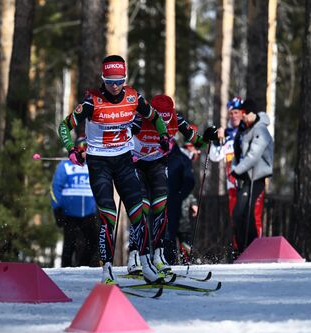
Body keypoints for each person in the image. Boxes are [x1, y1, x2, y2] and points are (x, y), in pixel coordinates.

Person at [58, 55, 173, 284]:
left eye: (119, 81)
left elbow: (156, 117)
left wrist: (163, 136)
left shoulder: (133, 97)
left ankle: (146, 263)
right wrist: (72, 149)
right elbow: (64, 126)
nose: (114, 86)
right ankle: (108, 268)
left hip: (123, 160)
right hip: (99, 162)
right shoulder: (92, 102)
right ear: (103, 79)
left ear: (125, 78)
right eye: (110, 81)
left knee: (137, 212)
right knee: (108, 215)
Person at [127, 94, 217, 275]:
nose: (165, 125)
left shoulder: (177, 119)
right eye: (161, 120)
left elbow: (197, 142)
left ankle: (159, 256)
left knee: (161, 208)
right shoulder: (139, 118)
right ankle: (134, 255)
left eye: (168, 119)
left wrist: (207, 138)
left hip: (158, 165)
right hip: (138, 165)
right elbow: (121, 137)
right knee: (142, 209)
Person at [210, 97, 264, 255]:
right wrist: (216, 140)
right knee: (236, 217)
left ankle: (257, 249)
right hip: (233, 185)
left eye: (237, 112)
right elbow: (214, 157)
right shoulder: (225, 134)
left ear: (243, 113)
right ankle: (238, 250)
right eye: (231, 113)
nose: (234, 116)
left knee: (254, 215)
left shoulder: (250, 130)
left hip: (252, 181)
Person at [230, 99, 273, 254]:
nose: (243, 117)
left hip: (257, 177)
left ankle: (251, 249)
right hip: (248, 177)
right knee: (239, 213)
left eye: (245, 114)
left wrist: (236, 171)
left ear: (252, 113)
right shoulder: (248, 129)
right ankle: (244, 249)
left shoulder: (260, 130)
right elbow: (240, 153)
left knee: (245, 212)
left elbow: (254, 155)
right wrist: (236, 167)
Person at [50, 135, 99, 267]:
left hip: (89, 212)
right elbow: (55, 187)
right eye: (81, 148)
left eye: (87, 148)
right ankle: (64, 269)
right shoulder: (65, 165)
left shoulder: (94, 165)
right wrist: (57, 208)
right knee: (69, 244)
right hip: (70, 212)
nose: (84, 151)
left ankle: (84, 266)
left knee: (93, 243)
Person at [165, 141, 199, 264]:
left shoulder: (182, 159)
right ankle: (166, 261)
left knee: (181, 233)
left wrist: (181, 197)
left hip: (178, 204)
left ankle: (186, 261)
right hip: (160, 203)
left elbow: (189, 182)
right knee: (164, 234)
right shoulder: (156, 155)